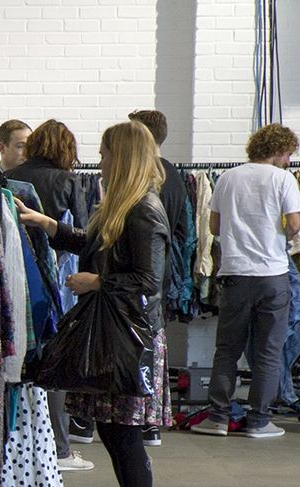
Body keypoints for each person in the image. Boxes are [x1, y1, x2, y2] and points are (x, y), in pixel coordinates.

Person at [16, 120, 170, 487]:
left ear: (122, 157)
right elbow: (96, 244)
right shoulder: (125, 205)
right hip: (120, 334)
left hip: (132, 339)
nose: (98, 161)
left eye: (104, 153)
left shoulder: (144, 210)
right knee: (116, 433)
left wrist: (97, 282)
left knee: (125, 437)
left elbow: (149, 280)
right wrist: (50, 225)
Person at [191, 123, 300, 439]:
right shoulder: (283, 179)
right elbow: (295, 224)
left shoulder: (228, 178)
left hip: (235, 275)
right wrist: (281, 232)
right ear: (278, 151)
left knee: (227, 350)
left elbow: (214, 227)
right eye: (288, 154)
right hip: (272, 276)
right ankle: (259, 421)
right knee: (268, 351)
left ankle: (218, 418)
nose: (288, 161)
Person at [5, 119, 94, 471]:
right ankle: (59, 447)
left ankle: (19, 445)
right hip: (58, 278)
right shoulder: (69, 181)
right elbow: (84, 235)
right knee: (56, 358)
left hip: (18, 274)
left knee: (19, 358)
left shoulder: (10, 179)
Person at [127, 109, 188, 447]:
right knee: (152, 346)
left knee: (138, 346)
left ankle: (140, 418)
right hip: (161, 275)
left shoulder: (142, 181)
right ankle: (150, 421)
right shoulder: (174, 176)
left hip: (141, 277)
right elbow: (184, 231)